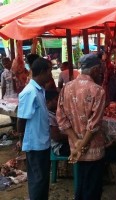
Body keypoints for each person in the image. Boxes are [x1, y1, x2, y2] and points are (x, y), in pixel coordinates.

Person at [56, 53, 106, 200]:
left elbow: (61, 118)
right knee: (93, 188)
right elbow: (94, 125)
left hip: (75, 146)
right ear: (95, 70)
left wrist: (76, 142)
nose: (101, 73)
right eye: (100, 70)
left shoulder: (67, 88)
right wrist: (82, 145)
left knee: (81, 184)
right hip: (93, 149)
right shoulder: (98, 90)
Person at [17, 57, 53, 200]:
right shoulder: (30, 92)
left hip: (42, 142)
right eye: (49, 71)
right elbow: (21, 119)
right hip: (35, 144)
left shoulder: (39, 90)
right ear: (43, 72)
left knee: (43, 179)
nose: (51, 74)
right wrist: (21, 139)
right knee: (38, 180)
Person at [45, 90, 70, 156]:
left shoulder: (54, 113)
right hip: (59, 147)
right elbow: (57, 137)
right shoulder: (48, 116)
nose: (59, 102)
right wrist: (73, 137)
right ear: (48, 102)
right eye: (56, 100)